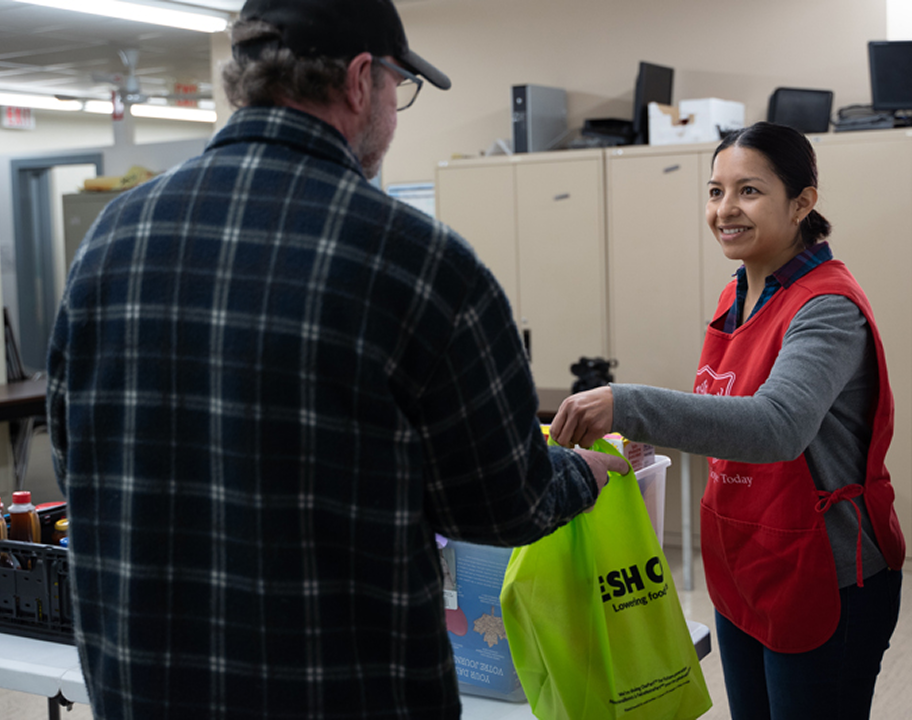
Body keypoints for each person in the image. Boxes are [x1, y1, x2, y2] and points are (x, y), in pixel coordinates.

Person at [45, 1, 625, 718]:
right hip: (337, 692)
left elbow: (78, 461)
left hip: (146, 686)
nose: (394, 108)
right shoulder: (418, 263)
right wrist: (581, 474)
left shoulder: (112, 238)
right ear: (359, 81)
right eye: (397, 88)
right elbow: (501, 502)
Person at [550, 121, 905, 719]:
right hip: (746, 560)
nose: (725, 209)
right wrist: (634, 436)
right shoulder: (737, 293)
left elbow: (776, 426)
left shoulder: (827, 309)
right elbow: (722, 412)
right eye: (715, 191)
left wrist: (628, 403)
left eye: (749, 191)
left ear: (802, 203)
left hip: (825, 573)